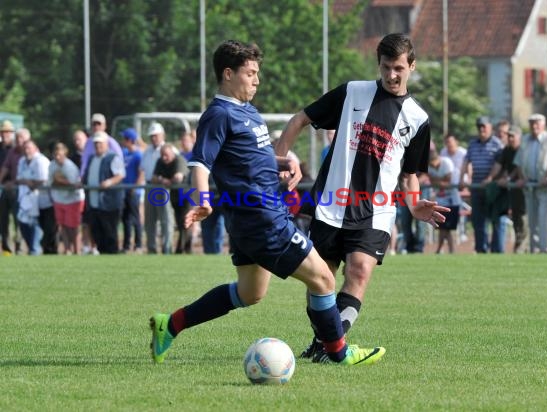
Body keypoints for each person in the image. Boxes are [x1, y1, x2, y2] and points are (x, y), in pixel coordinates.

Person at [149, 39, 385, 366]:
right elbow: (200, 164)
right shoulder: (218, 115)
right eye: (250, 73)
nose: (256, 80)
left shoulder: (247, 111)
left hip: (253, 220)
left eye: (257, 73)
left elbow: (251, 158)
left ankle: (170, 324)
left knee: (250, 293)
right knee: (325, 279)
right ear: (228, 74)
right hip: (262, 218)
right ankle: (339, 353)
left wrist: (282, 163)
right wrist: (202, 200)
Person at [274, 33, 449, 362]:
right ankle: (326, 343)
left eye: (399, 68)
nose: (392, 75)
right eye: (386, 67)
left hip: (376, 212)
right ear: (378, 64)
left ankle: (331, 347)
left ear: (412, 66)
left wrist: (414, 203)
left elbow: (409, 174)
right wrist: (278, 160)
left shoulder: (418, 119)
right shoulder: (353, 91)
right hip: (330, 205)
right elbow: (300, 119)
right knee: (320, 282)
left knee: (359, 272)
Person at [513, 113, 547, 253]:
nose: (534, 126)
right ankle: (534, 249)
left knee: (544, 219)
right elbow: (519, 162)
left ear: (543, 124)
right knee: (532, 220)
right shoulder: (525, 139)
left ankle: (544, 248)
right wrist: (522, 178)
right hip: (529, 186)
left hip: (544, 186)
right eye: (532, 123)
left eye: (537, 123)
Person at [460, 116, 504, 253]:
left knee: (495, 220)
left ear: (490, 127)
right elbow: (466, 162)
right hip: (477, 187)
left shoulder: (497, 144)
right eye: (479, 126)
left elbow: (500, 164)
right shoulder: (473, 144)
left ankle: (496, 250)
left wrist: (490, 178)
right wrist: (462, 178)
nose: (481, 129)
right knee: (478, 221)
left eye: (484, 126)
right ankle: (481, 249)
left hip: (492, 189)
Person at [83, 131, 125, 254]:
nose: (98, 146)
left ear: (106, 144)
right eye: (96, 144)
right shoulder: (92, 158)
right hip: (94, 202)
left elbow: (120, 175)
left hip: (108, 202)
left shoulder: (113, 157)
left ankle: (112, 255)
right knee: (97, 232)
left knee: (110, 232)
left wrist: (109, 182)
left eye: (100, 143)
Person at [152, 143, 192, 254]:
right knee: (180, 224)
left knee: (185, 223)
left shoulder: (179, 160)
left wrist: (167, 180)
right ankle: (186, 250)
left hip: (186, 196)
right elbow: (154, 177)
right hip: (175, 197)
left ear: (172, 153)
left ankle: (181, 250)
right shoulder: (160, 161)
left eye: (166, 155)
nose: (164, 158)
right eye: (162, 155)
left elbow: (178, 177)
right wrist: (162, 180)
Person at [492, 125, 527, 253]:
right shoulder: (507, 150)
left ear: (519, 137)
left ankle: (522, 247)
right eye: (509, 136)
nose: (510, 138)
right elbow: (504, 167)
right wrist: (498, 178)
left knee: (524, 217)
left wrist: (509, 178)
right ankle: (520, 246)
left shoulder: (523, 148)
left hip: (524, 187)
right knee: (517, 217)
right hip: (514, 189)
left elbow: (519, 167)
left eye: (512, 136)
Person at [140, 122, 173, 254]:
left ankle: (167, 249)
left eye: (156, 135)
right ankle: (151, 248)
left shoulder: (169, 149)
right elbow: (143, 169)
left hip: (163, 188)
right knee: (149, 220)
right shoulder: (147, 150)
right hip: (149, 186)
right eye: (152, 136)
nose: (153, 138)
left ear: (162, 135)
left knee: (166, 219)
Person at [48, 142, 85, 254]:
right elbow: (51, 182)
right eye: (56, 154)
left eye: (60, 154)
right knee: (62, 225)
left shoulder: (70, 167)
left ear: (65, 153)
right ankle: (67, 249)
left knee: (74, 226)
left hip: (73, 200)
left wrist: (59, 181)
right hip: (59, 199)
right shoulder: (52, 165)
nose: (58, 157)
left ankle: (77, 250)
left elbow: (74, 185)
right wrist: (58, 182)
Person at [15, 140, 50, 255]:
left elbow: (44, 180)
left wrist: (31, 183)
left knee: (37, 225)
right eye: (25, 148)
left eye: (29, 148)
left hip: (43, 200)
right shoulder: (22, 161)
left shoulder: (41, 161)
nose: (26, 150)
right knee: (23, 222)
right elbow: (18, 179)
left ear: (36, 149)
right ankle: (32, 248)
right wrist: (27, 182)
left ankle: (35, 249)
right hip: (26, 199)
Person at [428, 148, 461, 253]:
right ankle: (446, 250)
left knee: (448, 228)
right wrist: (440, 181)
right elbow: (434, 181)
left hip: (452, 199)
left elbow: (448, 182)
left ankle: (446, 250)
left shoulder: (446, 162)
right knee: (442, 227)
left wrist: (436, 180)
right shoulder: (429, 166)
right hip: (440, 199)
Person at [120, 128, 143, 254]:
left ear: (130, 140)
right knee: (125, 219)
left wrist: (135, 187)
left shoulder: (138, 155)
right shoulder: (124, 153)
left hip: (133, 191)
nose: (122, 140)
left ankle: (138, 244)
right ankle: (126, 245)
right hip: (124, 190)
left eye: (124, 138)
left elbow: (141, 173)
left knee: (135, 217)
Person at [0, 120, 20, 255]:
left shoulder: (16, 149)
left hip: (15, 188)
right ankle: (6, 248)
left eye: (8, 132)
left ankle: (18, 246)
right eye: (3, 132)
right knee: (3, 220)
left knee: (18, 219)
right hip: (1, 188)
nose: (6, 134)